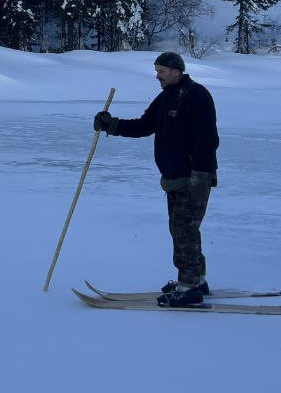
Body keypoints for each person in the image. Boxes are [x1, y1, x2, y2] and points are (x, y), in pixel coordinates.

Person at [93, 51, 219, 307]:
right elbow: (144, 125)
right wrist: (111, 125)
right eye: (156, 70)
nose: (157, 76)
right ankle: (196, 279)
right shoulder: (166, 97)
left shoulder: (197, 96)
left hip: (194, 177)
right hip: (173, 177)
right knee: (182, 229)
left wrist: (200, 175)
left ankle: (189, 288)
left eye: (161, 71)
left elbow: (208, 139)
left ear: (176, 71)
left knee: (184, 231)